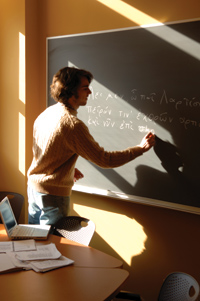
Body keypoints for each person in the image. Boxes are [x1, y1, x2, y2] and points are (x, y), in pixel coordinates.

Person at [27, 67, 155, 225]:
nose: (90, 92)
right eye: (85, 87)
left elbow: (45, 152)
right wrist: (140, 149)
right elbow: (105, 160)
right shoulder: (72, 125)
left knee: (32, 242)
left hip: (34, 189)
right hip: (52, 195)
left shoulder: (47, 113)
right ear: (71, 89)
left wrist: (67, 168)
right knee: (50, 245)